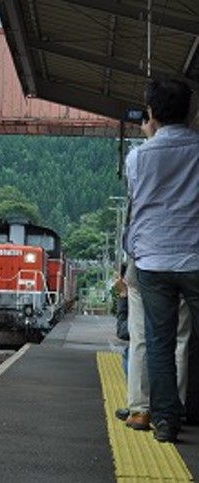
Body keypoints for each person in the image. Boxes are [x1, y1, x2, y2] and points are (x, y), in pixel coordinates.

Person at [124, 78, 199, 443]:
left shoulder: (139, 156)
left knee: (159, 341)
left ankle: (166, 421)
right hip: (196, 256)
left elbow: (138, 200)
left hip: (153, 259)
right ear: (190, 111)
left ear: (151, 112)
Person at [115, 258, 190, 432]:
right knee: (179, 339)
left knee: (140, 339)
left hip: (146, 261)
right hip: (187, 263)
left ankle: (140, 411)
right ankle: (171, 413)